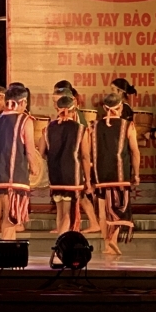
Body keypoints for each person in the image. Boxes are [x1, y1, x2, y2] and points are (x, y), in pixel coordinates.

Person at [0, 84, 38, 240]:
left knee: (9, 217)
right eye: (25, 102)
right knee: (9, 217)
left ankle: (9, 246)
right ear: (22, 102)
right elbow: (30, 149)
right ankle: (6, 248)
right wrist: (34, 166)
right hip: (15, 175)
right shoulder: (24, 119)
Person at [92, 92, 140, 254]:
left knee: (102, 211)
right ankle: (113, 240)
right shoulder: (128, 125)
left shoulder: (93, 126)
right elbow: (135, 152)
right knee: (119, 209)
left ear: (104, 108)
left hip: (100, 175)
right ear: (120, 107)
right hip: (120, 175)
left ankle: (107, 245)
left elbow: (87, 153)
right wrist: (136, 174)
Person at [41, 94, 91, 234]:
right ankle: (61, 241)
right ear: (74, 110)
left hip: (55, 175)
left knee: (60, 212)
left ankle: (60, 239)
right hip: (71, 175)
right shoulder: (80, 129)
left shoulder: (48, 129)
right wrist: (88, 180)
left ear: (57, 109)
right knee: (68, 214)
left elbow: (41, 153)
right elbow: (85, 156)